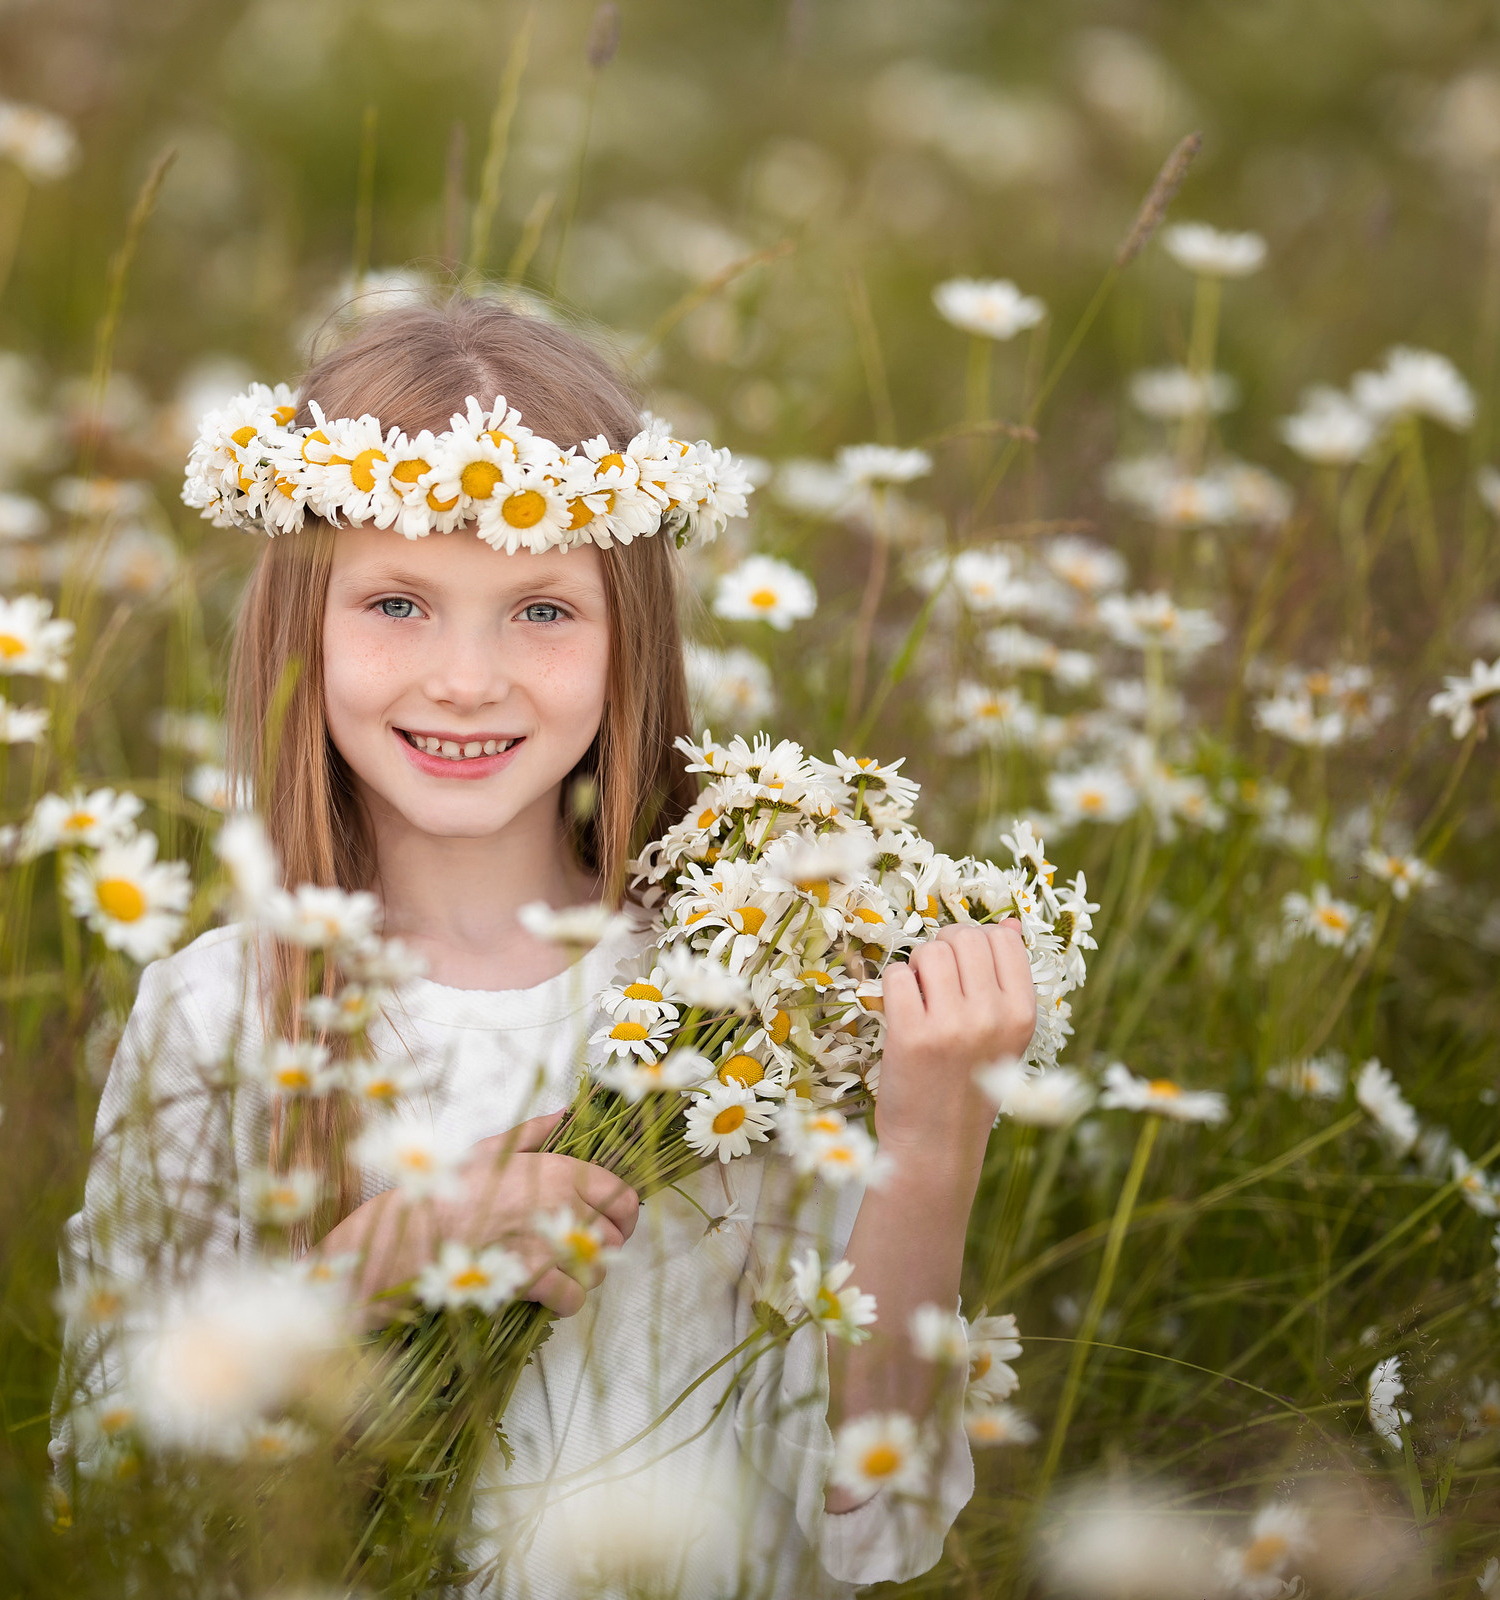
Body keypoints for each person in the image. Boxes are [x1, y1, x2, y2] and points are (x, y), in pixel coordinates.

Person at [57, 296, 1035, 1596]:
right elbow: (108, 1471)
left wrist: (932, 1137)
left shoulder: (735, 998)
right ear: (301, 624)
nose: (467, 677)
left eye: (541, 610)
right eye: (399, 602)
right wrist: (368, 1271)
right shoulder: (217, 1011)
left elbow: (872, 1513)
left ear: (631, 634)